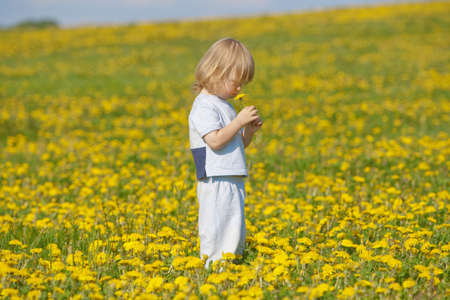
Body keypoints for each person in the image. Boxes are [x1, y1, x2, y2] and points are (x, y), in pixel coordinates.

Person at [188, 37, 263, 269]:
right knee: (216, 224)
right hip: (215, 176)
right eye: (237, 83)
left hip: (231, 174)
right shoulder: (204, 106)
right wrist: (239, 120)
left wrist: (248, 131)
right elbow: (216, 141)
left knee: (234, 224)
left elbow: (237, 145)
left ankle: (231, 264)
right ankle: (213, 266)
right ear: (216, 72)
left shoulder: (224, 104)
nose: (240, 89)